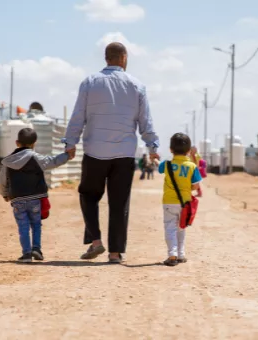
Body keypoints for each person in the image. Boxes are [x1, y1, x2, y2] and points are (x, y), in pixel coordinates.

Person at [63, 42, 160, 263]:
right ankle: (115, 253)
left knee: (88, 195)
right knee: (119, 202)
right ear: (124, 58)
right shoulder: (137, 86)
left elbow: (79, 115)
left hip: (95, 152)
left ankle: (96, 241)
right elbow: (146, 122)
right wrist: (153, 147)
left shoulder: (89, 83)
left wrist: (70, 142)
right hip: (124, 154)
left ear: (106, 58)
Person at [0, 128, 70, 262]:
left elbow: (2, 180)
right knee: (36, 224)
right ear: (34, 143)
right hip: (35, 199)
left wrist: (5, 194)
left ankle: (26, 254)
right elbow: (53, 161)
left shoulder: (8, 161)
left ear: (17, 143)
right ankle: (36, 249)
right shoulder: (36, 158)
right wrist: (67, 155)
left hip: (18, 199)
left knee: (23, 226)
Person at [158, 133, 202, 266]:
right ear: (189, 151)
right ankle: (181, 254)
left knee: (170, 228)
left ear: (171, 149)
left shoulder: (167, 164)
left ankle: (172, 255)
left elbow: (159, 168)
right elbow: (196, 186)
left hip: (169, 202)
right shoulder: (192, 166)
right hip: (185, 202)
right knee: (181, 228)